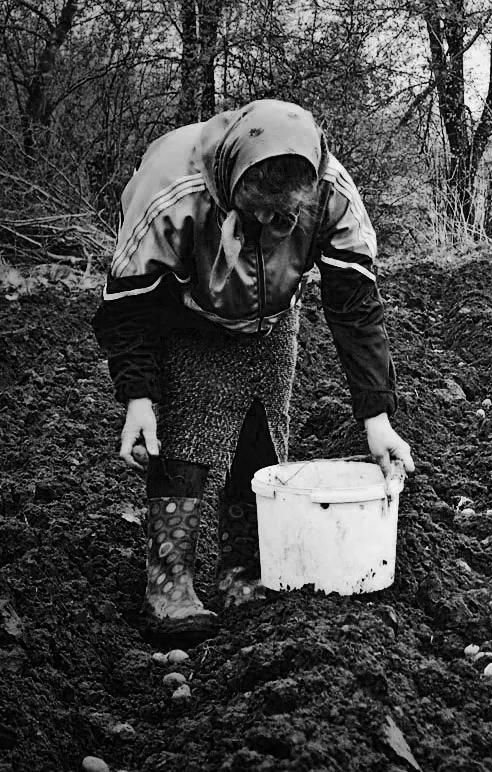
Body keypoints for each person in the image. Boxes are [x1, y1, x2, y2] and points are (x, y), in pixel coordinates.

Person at [91, 99, 415, 644]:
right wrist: (139, 398)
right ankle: (170, 581)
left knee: (261, 433)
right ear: (229, 187)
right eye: (254, 211)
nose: (267, 225)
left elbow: (354, 305)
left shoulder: (333, 193)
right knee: (187, 431)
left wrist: (377, 417)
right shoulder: (174, 189)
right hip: (187, 309)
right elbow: (128, 305)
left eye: (283, 217)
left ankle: (245, 571)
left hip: (272, 316)